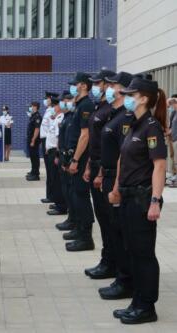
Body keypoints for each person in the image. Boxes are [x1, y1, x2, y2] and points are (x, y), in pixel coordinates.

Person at [109, 77, 167, 324]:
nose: (128, 97)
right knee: (132, 250)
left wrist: (155, 200)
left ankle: (147, 306)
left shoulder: (151, 126)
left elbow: (160, 165)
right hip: (128, 196)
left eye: (132, 94)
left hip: (142, 198)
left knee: (144, 254)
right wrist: (117, 188)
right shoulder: (135, 123)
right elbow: (125, 160)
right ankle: (137, 300)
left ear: (144, 98)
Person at [96, 71, 134, 300]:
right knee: (111, 229)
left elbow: (122, 155)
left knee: (120, 233)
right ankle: (119, 274)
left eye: (113, 84)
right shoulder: (115, 114)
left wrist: (117, 186)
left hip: (118, 179)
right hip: (108, 175)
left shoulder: (126, 118)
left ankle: (125, 280)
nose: (108, 88)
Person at [83, 69, 117, 279]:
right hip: (95, 164)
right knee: (103, 218)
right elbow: (96, 143)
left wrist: (101, 173)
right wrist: (89, 166)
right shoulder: (100, 108)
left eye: (99, 83)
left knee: (108, 219)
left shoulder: (109, 110)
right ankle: (107, 259)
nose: (95, 86)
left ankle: (111, 262)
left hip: (104, 169)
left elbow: (110, 148)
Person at [64, 72, 95, 252]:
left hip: (81, 158)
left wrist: (75, 160)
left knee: (81, 195)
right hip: (75, 156)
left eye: (75, 84)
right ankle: (79, 230)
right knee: (76, 194)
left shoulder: (86, 105)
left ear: (83, 85)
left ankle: (86, 237)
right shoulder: (79, 104)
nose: (73, 87)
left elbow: (85, 135)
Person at [55, 91, 76, 230]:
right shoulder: (66, 117)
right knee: (66, 189)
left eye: (65, 100)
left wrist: (69, 160)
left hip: (69, 159)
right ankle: (71, 218)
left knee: (72, 191)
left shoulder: (72, 117)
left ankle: (74, 219)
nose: (62, 103)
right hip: (63, 157)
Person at [45, 96, 67, 216]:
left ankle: (61, 206)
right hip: (52, 150)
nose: (53, 108)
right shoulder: (57, 118)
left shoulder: (60, 118)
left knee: (57, 180)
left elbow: (59, 138)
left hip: (55, 151)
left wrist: (57, 154)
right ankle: (58, 202)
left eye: (55, 106)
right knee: (54, 178)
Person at [40, 92, 60, 202]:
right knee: (49, 172)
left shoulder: (53, 113)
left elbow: (51, 132)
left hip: (51, 145)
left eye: (47, 99)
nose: (45, 100)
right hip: (47, 143)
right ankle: (50, 195)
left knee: (52, 173)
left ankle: (52, 196)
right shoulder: (49, 111)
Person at [27, 102, 42, 181]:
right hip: (31, 139)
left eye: (32, 106)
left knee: (35, 157)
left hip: (34, 140)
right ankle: (33, 171)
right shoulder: (33, 116)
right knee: (32, 157)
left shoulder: (37, 116)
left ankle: (36, 174)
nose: (31, 107)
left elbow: (37, 129)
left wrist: (33, 140)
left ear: (36, 107)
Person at [166, 97, 177, 186]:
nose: (171, 106)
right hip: (173, 139)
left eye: (172, 104)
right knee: (174, 158)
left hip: (176, 139)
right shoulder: (174, 113)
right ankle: (175, 175)